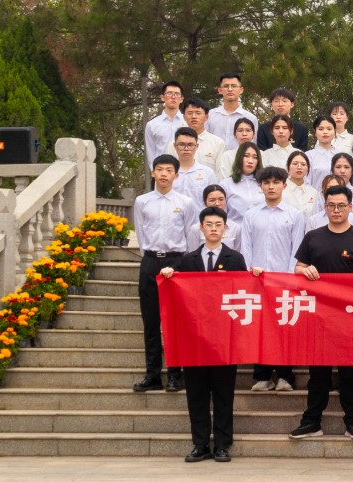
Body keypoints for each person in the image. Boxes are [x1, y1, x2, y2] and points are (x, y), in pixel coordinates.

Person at [289, 184, 353, 440]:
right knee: (318, 373)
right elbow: (298, 267)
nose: (336, 210)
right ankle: (311, 422)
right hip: (318, 315)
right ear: (324, 207)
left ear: (351, 207)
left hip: (350, 316)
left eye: (341, 206)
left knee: (350, 373)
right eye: (331, 206)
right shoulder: (313, 237)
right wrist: (304, 270)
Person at [158, 206, 244, 462]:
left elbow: (244, 293)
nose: (214, 229)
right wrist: (168, 276)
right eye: (209, 224)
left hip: (224, 339)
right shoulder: (188, 260)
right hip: (194, 338)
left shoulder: (235, 259)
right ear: (200, 228)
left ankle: (222, 445)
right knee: (196, 394)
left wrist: (256, 275)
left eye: (218, 224)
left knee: (223, 394)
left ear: (225, 228)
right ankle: (200, 444)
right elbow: (177, 295)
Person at [133, 154, 199, 393]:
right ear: (153, 173)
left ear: (176, 175)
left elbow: (191, 236)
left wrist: (184, 266)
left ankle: (174, 374)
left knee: (175, 322)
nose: (163, 174)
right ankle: (152, 375)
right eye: (159, 169)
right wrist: (150, 257)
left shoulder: (185, 202)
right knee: (151, 322)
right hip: (150, 261)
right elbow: (141, 233)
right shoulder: (142, 201)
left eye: (169, 170)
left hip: (177, 262)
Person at [240, 166, 303, 392]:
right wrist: (250, 274)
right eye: (266, 183)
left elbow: (297, 249)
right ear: (260, 186)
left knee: (284, 328)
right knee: (260, 329)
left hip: (284, 280)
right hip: (257, 280)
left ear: (284, 185)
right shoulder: (251, 215)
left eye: (276, 182)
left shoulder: (294, 215)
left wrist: (289, 278)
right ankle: (263, 376)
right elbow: (246, 247)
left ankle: (285, 376)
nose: (271, 187)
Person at [143, 80, 186, 174]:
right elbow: (151, 152)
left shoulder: (188, 122)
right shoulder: (152, 125)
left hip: (185, 171)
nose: (173, 97)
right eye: (169, 93)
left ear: (181, 99)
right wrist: (155, 171)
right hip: (162, 173)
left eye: (177, 94)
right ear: (162, 97)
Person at [206, 73, 256, 147]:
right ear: (220, 90)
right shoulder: (209, 115)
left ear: (241, 90)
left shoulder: (251, 118)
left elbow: (253, 145)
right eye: (226, 86)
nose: (230, 89)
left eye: (234, 86)